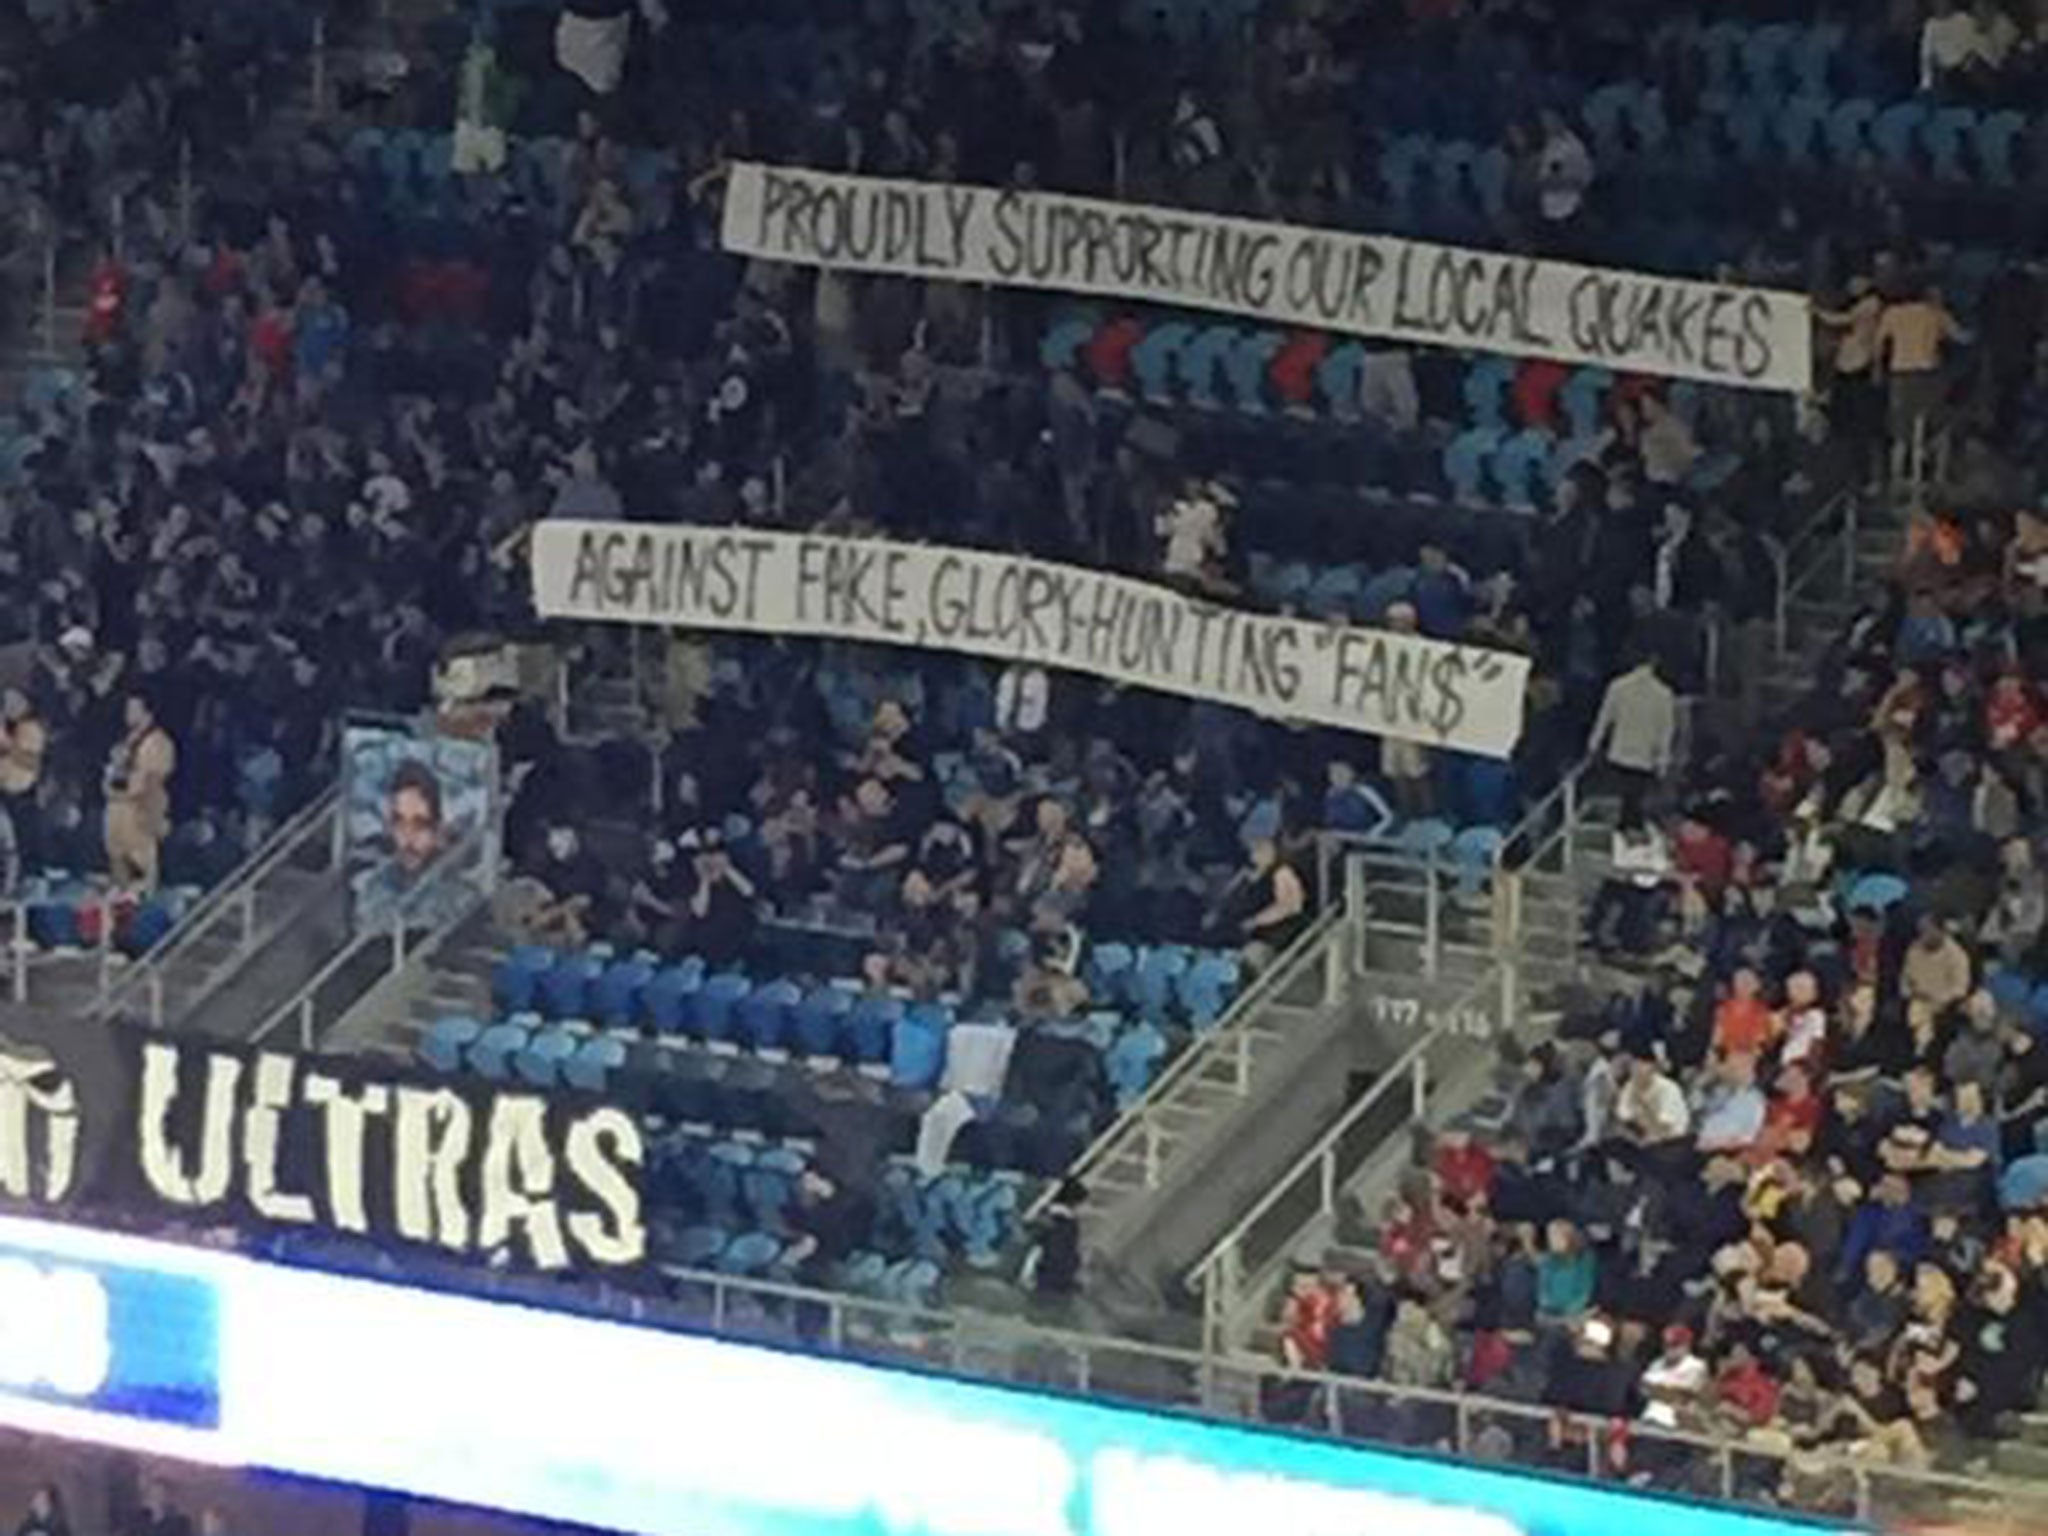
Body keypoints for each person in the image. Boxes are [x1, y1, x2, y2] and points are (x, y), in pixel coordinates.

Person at [353, 758, 469, 932]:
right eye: (400, 823)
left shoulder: (460, 897)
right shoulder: (373, 889)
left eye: (420, 825)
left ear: (438, 831)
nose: (408, 838)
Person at [1589, 654, 1676, 823]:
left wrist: (1593, 745)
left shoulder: (1618, 687)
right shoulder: (1664, 694)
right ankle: (1630, 835)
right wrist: (1662, 763)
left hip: (1618, 755)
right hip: (1644, 760)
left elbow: (1604, 718)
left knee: (1621, 801)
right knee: (1635, 803)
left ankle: (1621, 833)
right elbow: (1665, 732)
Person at [104, 693, 176, 892]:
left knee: (142, 867)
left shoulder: (158, 742)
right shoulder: (125, 742)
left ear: (147, 713)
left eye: (134, 709)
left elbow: (151, 781)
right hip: (117, 810)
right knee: (117, 863)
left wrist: (151, 815)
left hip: (139, 811)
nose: (128, 714)